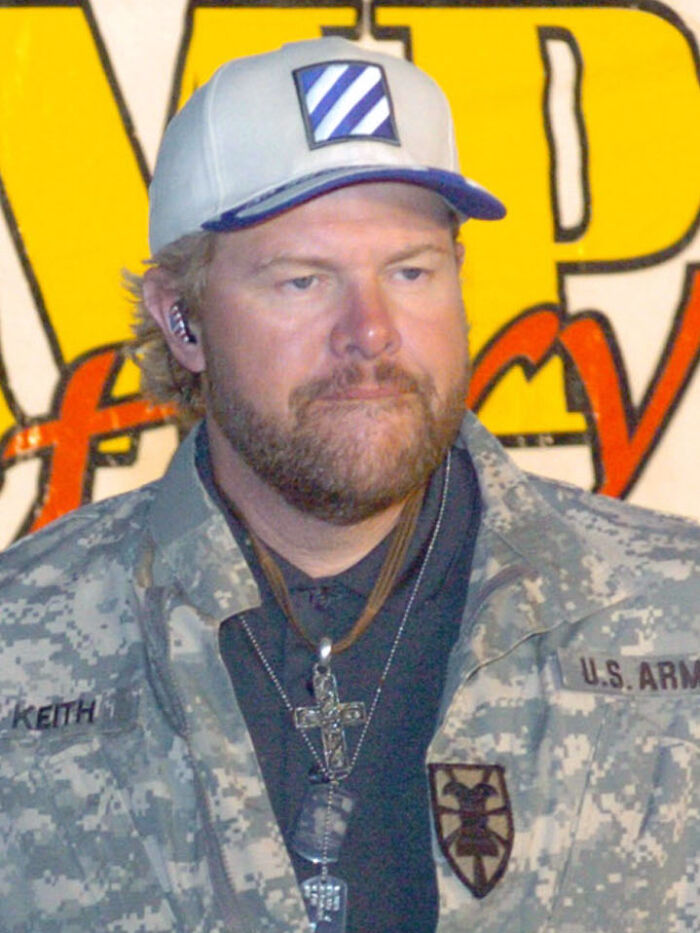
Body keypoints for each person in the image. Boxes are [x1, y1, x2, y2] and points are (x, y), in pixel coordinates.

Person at [0, 36, 697, 933]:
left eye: (411, 271)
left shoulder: (677, 613)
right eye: (303, 280)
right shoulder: (22, 643)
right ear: (183, 320)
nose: (370, 331)